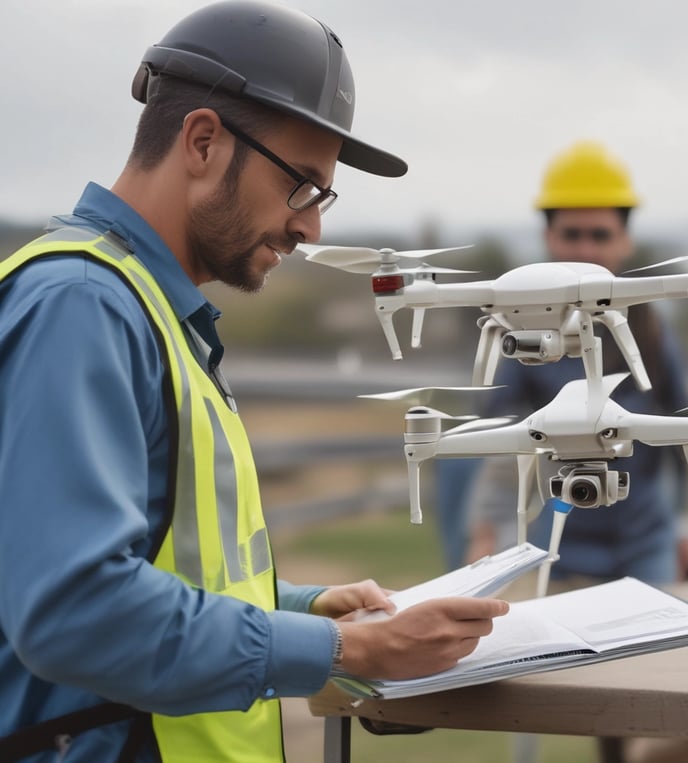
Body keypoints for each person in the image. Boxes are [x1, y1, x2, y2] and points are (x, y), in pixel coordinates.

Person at [0, 4, 509, 761]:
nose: (311, 228)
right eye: (301, 186)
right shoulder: (82, 306)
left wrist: (304, 608)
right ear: (203, 142)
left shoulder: (148, 310)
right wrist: (346, 649)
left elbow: (169, 567)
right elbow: (75, 609)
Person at [463, 141, 688, 763]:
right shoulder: (523, 331)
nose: (586, 247)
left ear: (624, 241)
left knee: (651, 693)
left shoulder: (648, 325)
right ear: (549, 238)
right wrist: (486, 530)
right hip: (561, 542)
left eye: (600, 234)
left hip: (644, 539)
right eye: (572, 233)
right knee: (543, 691)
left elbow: (680, 432)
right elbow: (501, 439)